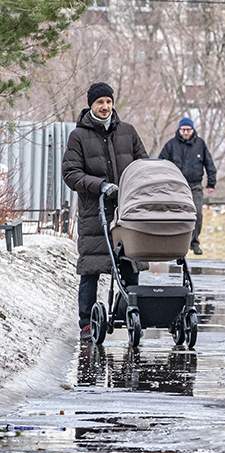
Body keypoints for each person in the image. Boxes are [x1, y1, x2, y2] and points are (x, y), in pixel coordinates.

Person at [62, 82, 148, 339]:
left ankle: (128, 313)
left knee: (130, 265)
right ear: (91, 105)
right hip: (95, 213)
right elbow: (71, 173)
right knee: (91, 269)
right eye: (100, 102)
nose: (105, 106)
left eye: (108, 101)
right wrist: (100, 186)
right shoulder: (78, 136)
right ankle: (86, 323)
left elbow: (142, 164)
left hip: (126, 211)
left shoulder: (128, 132)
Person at [159, 116, 216, 255]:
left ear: (193, 130)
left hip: (195, 186)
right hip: (176, 186)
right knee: (175, 214)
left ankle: (194, 242)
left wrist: (211, 183)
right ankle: (176, 243)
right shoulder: (171, 145)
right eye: (183, 129)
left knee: (197, 213)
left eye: (188, 130)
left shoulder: (200, 144)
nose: (185, 132)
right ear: (179, 130)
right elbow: (161, 163)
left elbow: (209, 164)